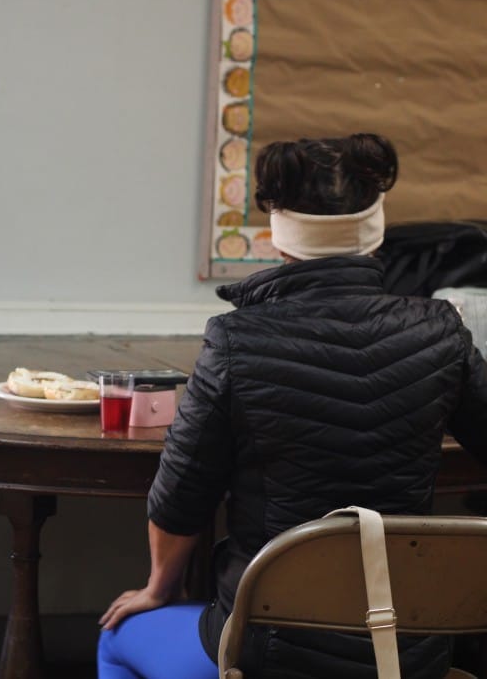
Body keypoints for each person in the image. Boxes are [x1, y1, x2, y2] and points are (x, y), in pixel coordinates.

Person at [97, 133, 487, 678]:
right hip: (407, 653)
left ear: (280, 237)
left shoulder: (235, 340)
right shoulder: (441, 331)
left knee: (114, 638)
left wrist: (158, 588)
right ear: (374, 233)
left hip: (269, 651)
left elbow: (181, 495)